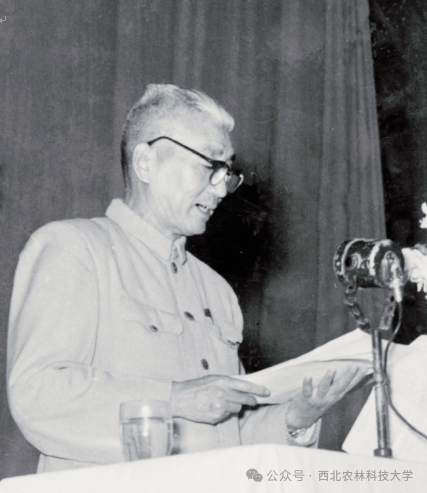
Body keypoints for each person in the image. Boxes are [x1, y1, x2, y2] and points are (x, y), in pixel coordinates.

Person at [7, 84, 366, 473]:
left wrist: (295, 417)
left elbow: (227, 435)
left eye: (227, 172)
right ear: (145, 162)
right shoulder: (74, 248)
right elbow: (37, 395)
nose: (222, 189)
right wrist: (173, 398)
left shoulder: (216, 290)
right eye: (210, 166)